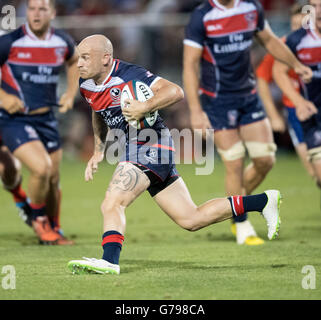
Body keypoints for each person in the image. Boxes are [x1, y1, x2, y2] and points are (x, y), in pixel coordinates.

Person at [67, 35, 281, 275]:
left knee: (113, 202)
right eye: (78, 58)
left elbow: (175, 91)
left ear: (106, 58)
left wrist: (145, 106)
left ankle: (109, 261)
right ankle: (262, 201)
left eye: (85, 57)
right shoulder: (86, 84)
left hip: (150, 145)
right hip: (141, 149)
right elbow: (99, 110)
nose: (79, 63)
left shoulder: (129, 75)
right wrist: (98, 151)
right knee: (191, 219)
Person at [182, 0, 312, 245]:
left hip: (248, 96)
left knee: (265, 159)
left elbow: (271, 40)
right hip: (217, 100)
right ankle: (240, 224)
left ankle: (235, 203)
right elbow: (189, 64)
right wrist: (195, 110)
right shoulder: (202, 16)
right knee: (235, 162)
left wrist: (296, 65)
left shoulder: (251, 8)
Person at [0, 0, 78, 245]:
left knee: (53, 176)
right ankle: (39, 221)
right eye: (32, 8)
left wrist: (70, 93)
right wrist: (3, 97)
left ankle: (55, 227)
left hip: (47, 118)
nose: (36, 13)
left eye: (42, 8)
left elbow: (74, 61)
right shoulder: (10, 41)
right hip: (14, 119)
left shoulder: (62, 41)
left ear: (52, 13)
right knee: (41, 169)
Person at [256, 3, 315, 178]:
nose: (298, 31)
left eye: (303, 26)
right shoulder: (282, 48)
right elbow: (262, 78)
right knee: (314, 172)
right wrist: (273, 115)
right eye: (294, 26)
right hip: (296, 114)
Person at [273, 0, 321, 189]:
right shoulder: (296, 40)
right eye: (314, 5)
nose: (318, 10)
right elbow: (278, 71)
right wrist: (298, 101)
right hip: (313, 114)